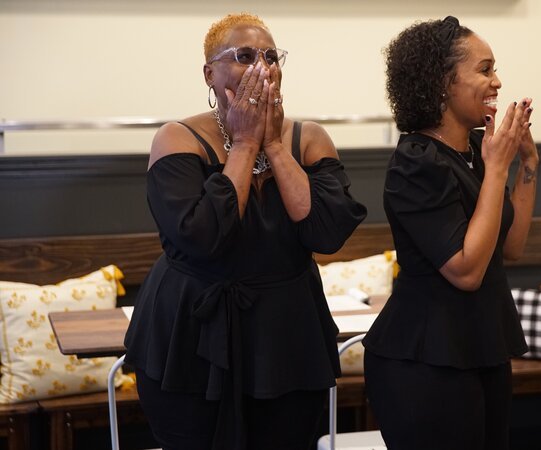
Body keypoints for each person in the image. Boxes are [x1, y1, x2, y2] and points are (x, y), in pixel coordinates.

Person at [123, 13, 367, 450]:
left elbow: (326, 233)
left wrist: (272, 144)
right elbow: (202, 239)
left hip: (286, 334)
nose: (262, 66)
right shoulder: (176, 139)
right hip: (192, 333)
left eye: (272, 57)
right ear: (209, 74)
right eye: (245, 56)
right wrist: (245, 143)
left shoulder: (308, 138)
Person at [362, 16, 539, 450]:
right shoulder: (417, 162)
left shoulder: (478, 155)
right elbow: (466, 271)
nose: (497, 82)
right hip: (426, 359)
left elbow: (510, 249)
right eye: (484, 69)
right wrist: (498, 168)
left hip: (481, 345)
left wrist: (528, 165)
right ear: (443, 82)